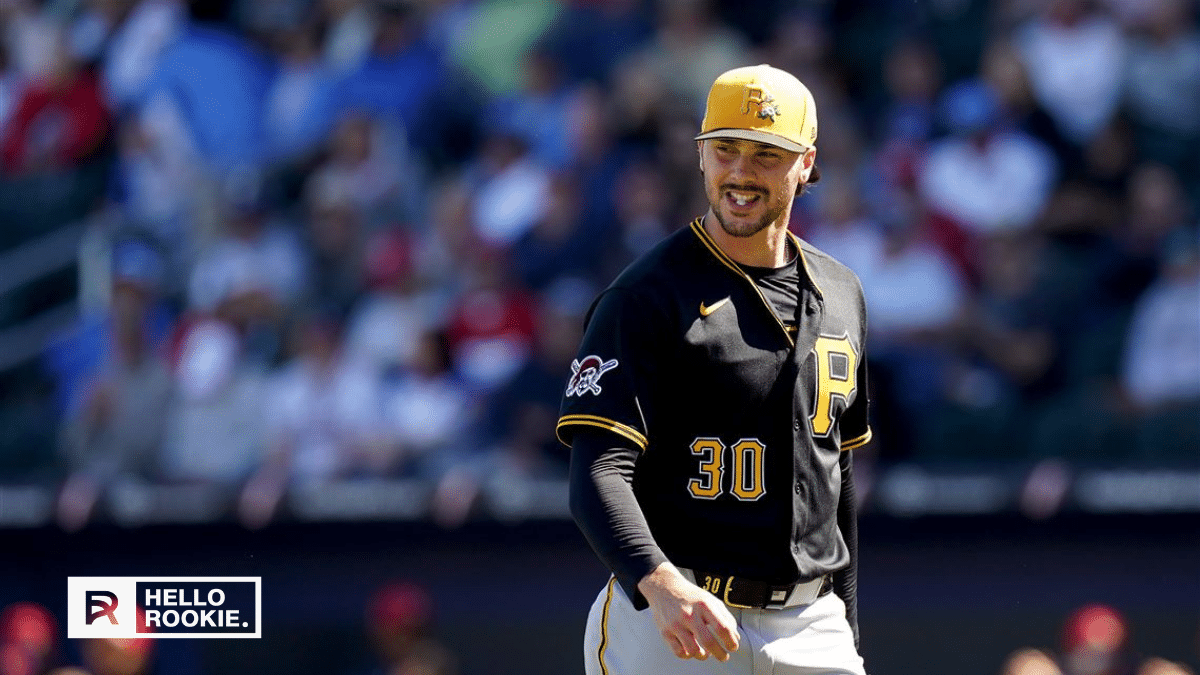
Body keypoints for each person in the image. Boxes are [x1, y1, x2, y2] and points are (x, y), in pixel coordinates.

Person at [559, 64, 872, 674]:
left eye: (765, 153)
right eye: (725, 150)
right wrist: (658, 584)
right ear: (701, 156)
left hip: (813, 622)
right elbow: (596, 472)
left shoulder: (842, 291)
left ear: (806, 162)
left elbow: (839, 478)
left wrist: (849, 628)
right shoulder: (646, 296)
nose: (740, 172)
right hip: (675, 615)